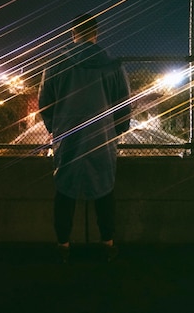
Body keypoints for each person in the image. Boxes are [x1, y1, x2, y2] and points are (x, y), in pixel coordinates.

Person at [38, 14, 131, 263]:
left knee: (65, 191)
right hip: (102, 138)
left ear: (73, 34)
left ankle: (63, 245)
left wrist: (56, 127)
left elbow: (45, 104)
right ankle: (108, 244)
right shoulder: (113, 65)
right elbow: (123, 106)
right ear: (95, 34)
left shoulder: (55, 64)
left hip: (67, 137)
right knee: (104, 189)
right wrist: (116, 130)